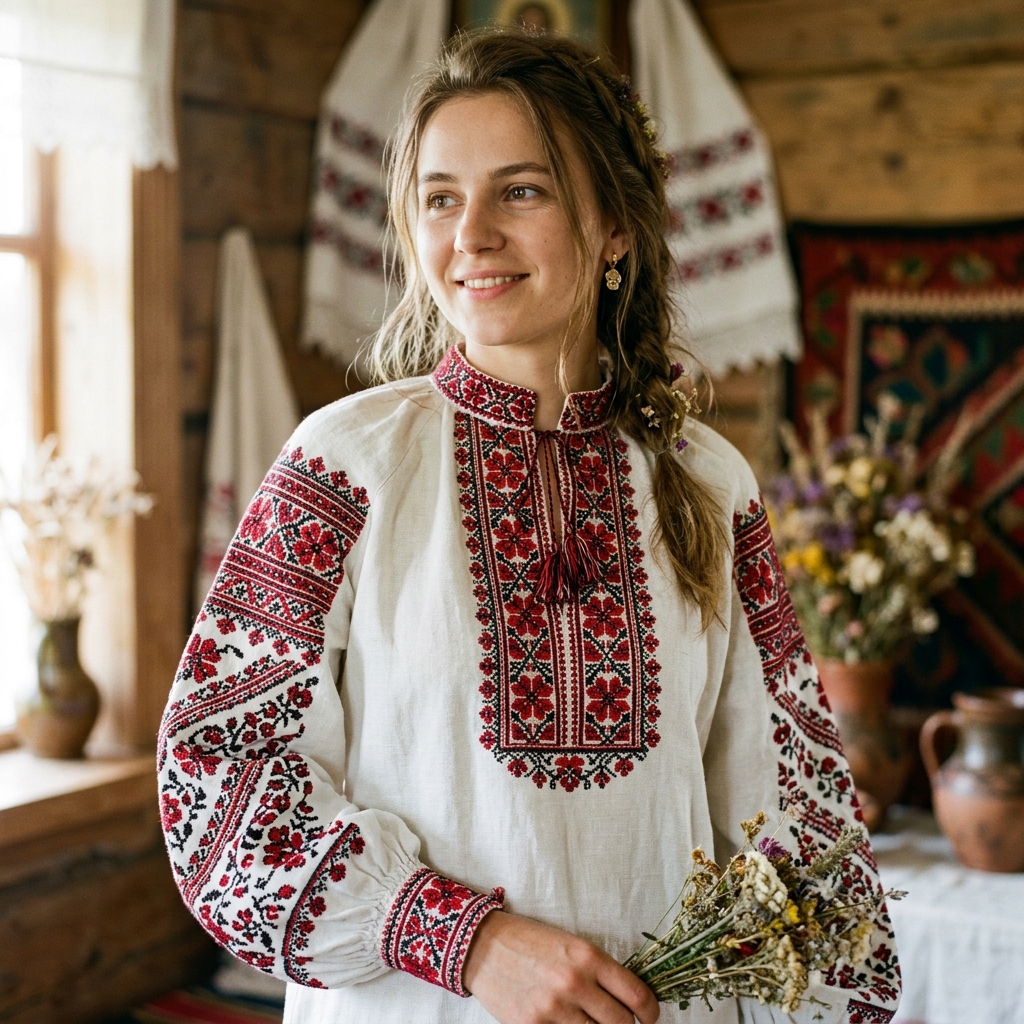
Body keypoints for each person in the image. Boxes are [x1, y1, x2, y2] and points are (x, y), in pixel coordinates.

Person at [158, 28, 900, 1024]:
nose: (471, 235)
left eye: (521, 190)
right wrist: (465, 942)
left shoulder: (707, 482)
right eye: (439, 197)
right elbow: (220, 770)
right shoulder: (345, 463)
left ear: (613, 230)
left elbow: (795, 816)